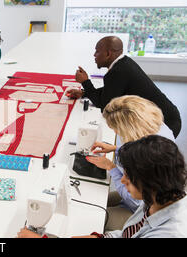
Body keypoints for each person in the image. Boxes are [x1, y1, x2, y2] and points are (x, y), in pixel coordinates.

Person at [18, 135, 187, 238]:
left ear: (151, 182)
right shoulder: (157, 198)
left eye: (129, 176)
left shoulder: (171, 233)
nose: (122, 180)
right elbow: (128, 234)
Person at [86, 95, 174, 231]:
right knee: (92, 203)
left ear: (129, 128)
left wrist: (111, 167)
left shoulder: (148, 156)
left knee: (92, 217)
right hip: (143, 202)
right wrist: (115, 148)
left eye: (117, 130)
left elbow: (134, 199)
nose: (115, 132)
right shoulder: (157, 131)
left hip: (138, 211)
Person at [66, 36, 181, 138]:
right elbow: (113, 90)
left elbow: (105, 106)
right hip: (169, 117)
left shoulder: (117, 72)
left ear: (108, 54)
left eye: (97, 51)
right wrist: (84, 93)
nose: (94, 55)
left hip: (164, 126)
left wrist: (85, 82)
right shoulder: (124, 63)